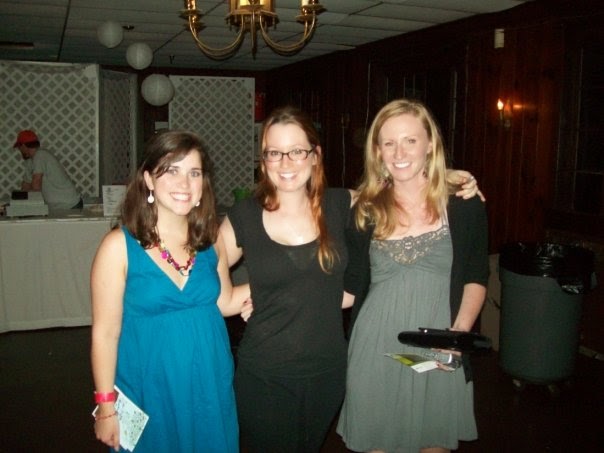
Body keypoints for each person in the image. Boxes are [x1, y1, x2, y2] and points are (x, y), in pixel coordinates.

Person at [219, 105, 482, 453]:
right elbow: (213, 282)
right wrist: (267, 295)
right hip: (306, 361)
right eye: (274, 153)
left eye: (297, 151)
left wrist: (450, 176)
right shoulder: (250, 215)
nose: (285, 162)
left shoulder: (346, 204)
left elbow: (473, 271)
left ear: (315, 156)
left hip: (370, 360)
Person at [336, 98, 489, 453]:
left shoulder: (463, 205)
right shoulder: (364, 211)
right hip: (375, 347)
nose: (399, 152)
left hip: (439, 346)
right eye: (388, 143)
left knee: (433, 443)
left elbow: (476, 276)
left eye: (410, 140)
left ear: (429, 144)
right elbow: (351, 287)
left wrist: (456, 337)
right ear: (377, 151)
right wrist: (280, 299)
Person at [90, 130, 249, 452]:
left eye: (194, 173)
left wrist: (283, 286)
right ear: (148, 179)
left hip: (207, 384)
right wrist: (106, 406)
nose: (184, 183)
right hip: (148, 386)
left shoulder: (211, 242)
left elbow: (225, 301)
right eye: (171, 170)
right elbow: (105, 334)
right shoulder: (118, 246)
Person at [13, 129, 82, 209]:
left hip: (70, 205)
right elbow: (26, 185)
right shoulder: (30, 161)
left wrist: (20, 197)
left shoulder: (40, 155)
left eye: (19, 147)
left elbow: (36, 187)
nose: (19, 150)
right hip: (57, 206)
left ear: (23, 146)